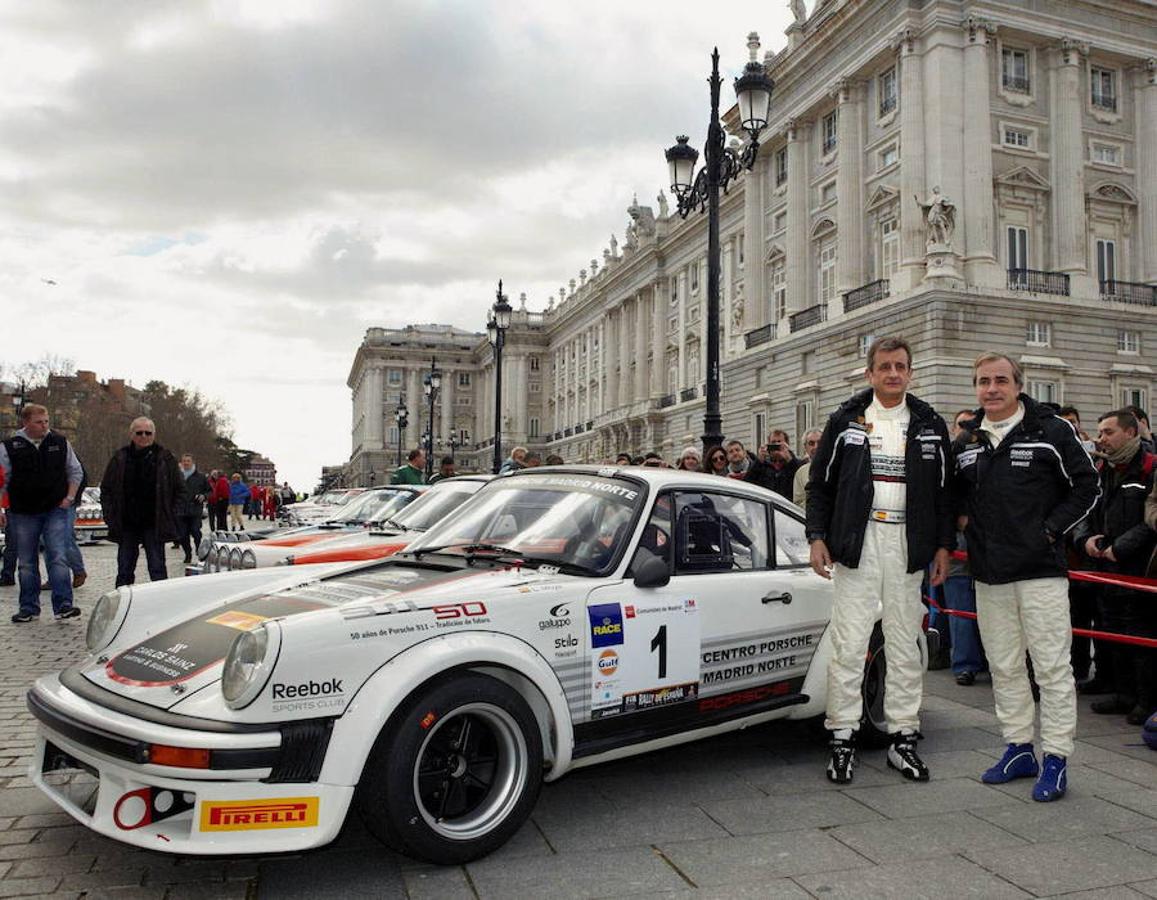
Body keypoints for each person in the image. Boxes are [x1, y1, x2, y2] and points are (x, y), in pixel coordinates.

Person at [806, 337, 953, 784]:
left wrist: (942, 545)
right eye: (884, 367)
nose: (893, 374)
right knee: (850, 644)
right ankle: (842, 738)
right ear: (870, 373)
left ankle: (903, 738)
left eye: (901, 367)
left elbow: (946, 492)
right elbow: (820, 485)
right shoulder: (845, 420)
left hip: (908, 545)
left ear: (911, 373)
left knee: (904, 644)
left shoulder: (929, 423)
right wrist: (816, 537)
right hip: (859, 543)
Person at [953, 352, 1098, 802]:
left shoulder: (1050, 431)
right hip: (989, 573)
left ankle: (1055, 756)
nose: (991, 388)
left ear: (1018, 385)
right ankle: (1018, 748)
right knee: (1004, 665)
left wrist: (1051, 529)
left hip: (1040, 572)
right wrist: (960, 523)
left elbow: (1087, 486)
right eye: (983, 381)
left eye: (1000, 380)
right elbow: (953, 496)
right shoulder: (968, 440)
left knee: (1053, 668)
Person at [1074, 410, 1157, 725]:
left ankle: (1145, 699)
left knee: (1141, 634)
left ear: (1132, 432)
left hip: (1139, 569)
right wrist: (1085, 540)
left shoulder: (1151, 468)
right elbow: (1084, 509)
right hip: (1105, 568)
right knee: (1111, 631)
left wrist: (1118, 549)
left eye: (1108, 432)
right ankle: (1122, 693)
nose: (1101, 439)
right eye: (1100, 432)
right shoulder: (1100, 469)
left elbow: (1149, 521)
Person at [0, 404, 84, 622]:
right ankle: (28, 607)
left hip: (55, 508)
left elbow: (75, 471)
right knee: (27, 561)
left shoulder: (60, 442)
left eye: (46, 421)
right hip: (22, 511)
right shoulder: (10, 447)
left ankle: (64, 604)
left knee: (57, 556)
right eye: (39, 422)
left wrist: (70, 497)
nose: (44, 426)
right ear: (26, 422)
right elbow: (3, 480)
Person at [100, 417, 185, 588]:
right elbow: (107, 489)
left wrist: (172, 514)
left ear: (154, 434)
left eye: (148, 433)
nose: (144, 436)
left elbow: (180, 490)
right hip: (127, 523)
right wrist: (110, 516)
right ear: (132, 434)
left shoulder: (165, 458)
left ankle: (162, 603)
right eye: (139, 433)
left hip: (154, 522)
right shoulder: (120, 457)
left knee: (157, 568)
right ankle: (123, 603)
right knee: (124, 569)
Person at [941, 410, 985, 686]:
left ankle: (991, 660)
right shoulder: (958, 448)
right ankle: (965, 664)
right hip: (961, 538)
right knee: (960, 608)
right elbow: (946, 488)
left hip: (993, 537)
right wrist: (959, 514)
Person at [175, 454, 211, 565]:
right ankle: (188, 553)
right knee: (182, 535)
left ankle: (198, 549)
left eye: (188, 461)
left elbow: (209, 490)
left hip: (195, 509)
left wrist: (204, 496)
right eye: (184, 461)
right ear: (181, 463)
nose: (186, 463)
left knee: (196, 531)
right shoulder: (176, 476)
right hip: (180, 510)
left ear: (192, 462)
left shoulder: (200, 476)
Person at [746, 430, 802, 499]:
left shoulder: (795, 463)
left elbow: (800, 479)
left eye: (779, 442)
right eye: (773, 443)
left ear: (787, 445)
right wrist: (759, 461)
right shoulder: (762, 465)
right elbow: (747, 483)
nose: (776, 446)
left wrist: (789, 459)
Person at [793, 429, 824, 507]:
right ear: (805, 447)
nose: (816, 447)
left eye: (820, 442)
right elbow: (798, 503)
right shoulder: (801, 472)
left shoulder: (837, 467)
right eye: (811, 443)